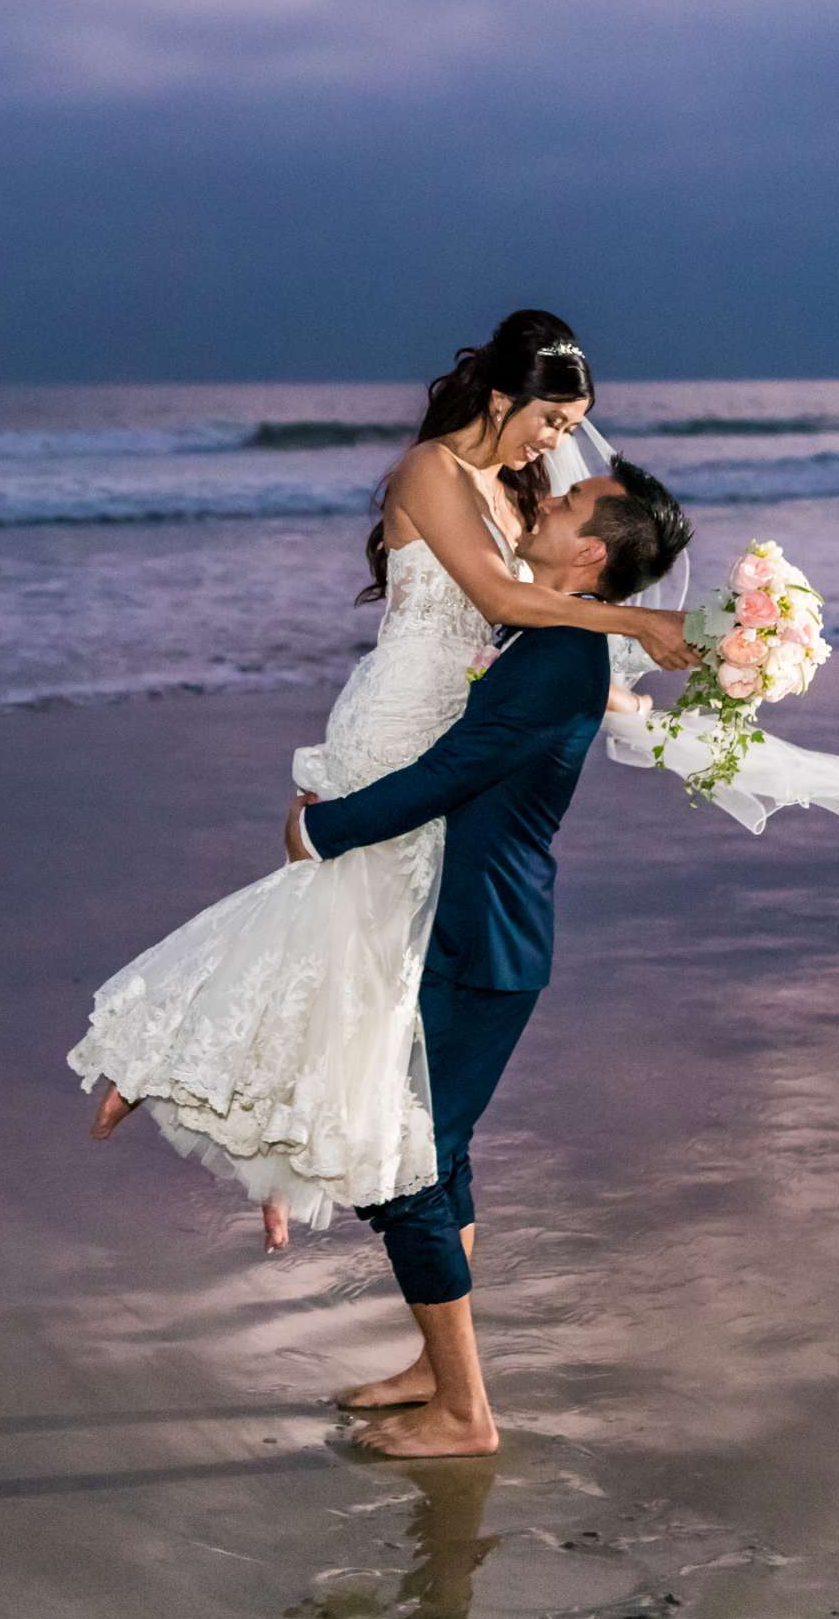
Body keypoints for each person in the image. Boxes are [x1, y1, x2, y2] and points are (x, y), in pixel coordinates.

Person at [68, 310, 694, 1248]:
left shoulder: (514, 489)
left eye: (571, 427)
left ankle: (270, 1152)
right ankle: (153, 1058)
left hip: (453, 725)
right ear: (501, 397)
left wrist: (627, 697)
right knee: (338, 924)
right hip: (399, 721)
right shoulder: (430, 471)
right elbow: (497, 598)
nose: (561, 443)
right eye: (553, 421)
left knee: (371, 964)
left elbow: (536, 622)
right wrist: (639, 626)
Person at [282, 464, 686, 1457]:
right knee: (439, 1151)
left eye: (568, 503)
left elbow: (454, 773)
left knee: (404, 1166)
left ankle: (465, 1415)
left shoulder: (556, 653)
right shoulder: (551, 630)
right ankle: (435, 1371)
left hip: (483, 940)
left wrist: (319, 832)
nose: (544, 500)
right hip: (476, 929)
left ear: (592, 550)